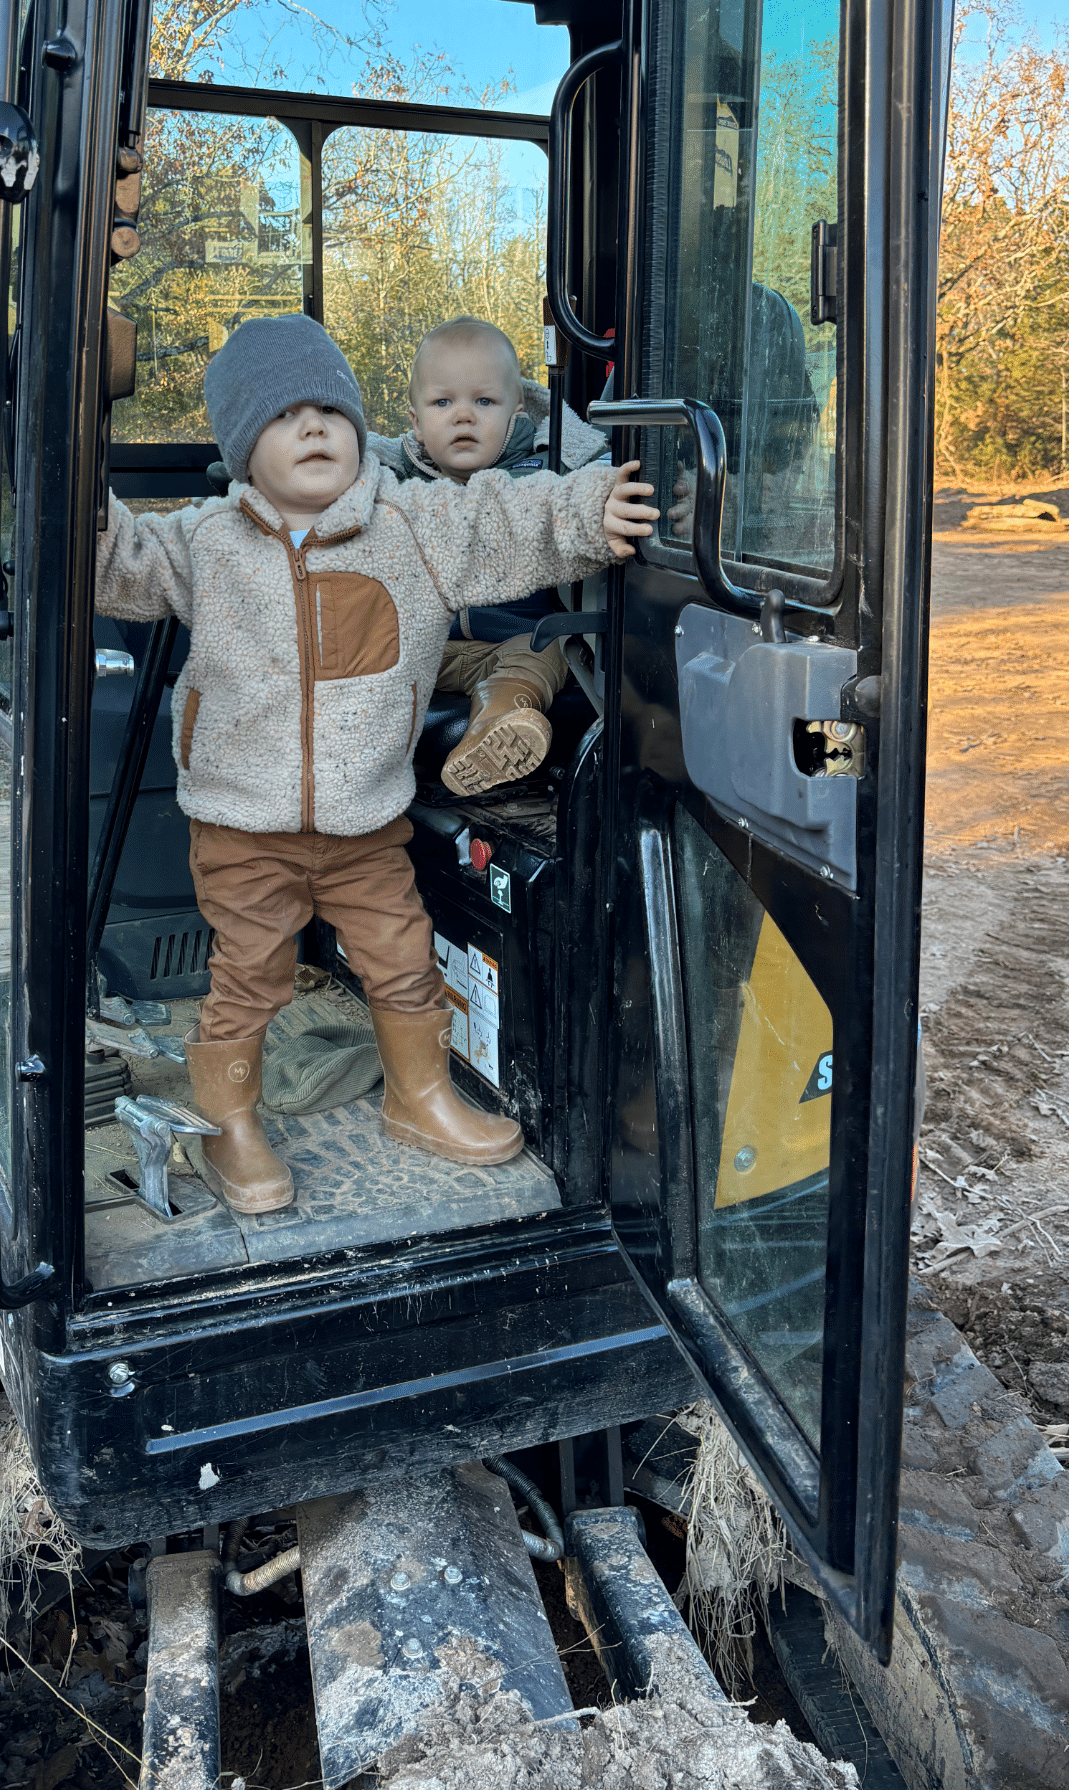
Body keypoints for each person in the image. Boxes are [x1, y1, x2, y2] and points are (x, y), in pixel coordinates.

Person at [94, 313, 657, 1217]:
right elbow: (117, 565)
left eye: (330, 410)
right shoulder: (206, 542)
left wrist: (592, 511)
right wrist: (75, 486)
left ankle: (419, 1098)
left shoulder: (414, 523)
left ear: (363, 430)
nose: (313, 427)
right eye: (284, 417)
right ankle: (231, 1125)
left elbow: (507, 518)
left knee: (402, 959)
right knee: (249, 975)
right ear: (244, 449)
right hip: (243, 827)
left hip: (364, 825)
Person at [369, 316, 607, 796]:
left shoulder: (547, 466)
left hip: (521, 639)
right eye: (443, 402)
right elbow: (337, 472)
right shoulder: (398, 475)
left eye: (483, 401)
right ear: (415, 421)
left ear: (515, 414)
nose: (464, 416)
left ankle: (497, 723)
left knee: (544, 654)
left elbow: (602, 481)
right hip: (432, 648)